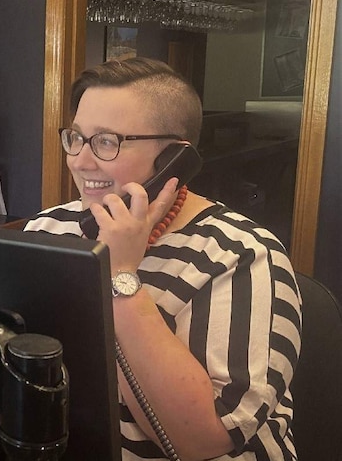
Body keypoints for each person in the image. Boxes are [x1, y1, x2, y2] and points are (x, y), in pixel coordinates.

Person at [24, 58, 301, 461]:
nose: (81, 161)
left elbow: (201, 440)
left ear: (174, 158)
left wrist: (120, 275)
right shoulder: (49, 231)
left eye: (106, 141)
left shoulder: (244, 256)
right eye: (76, 138)